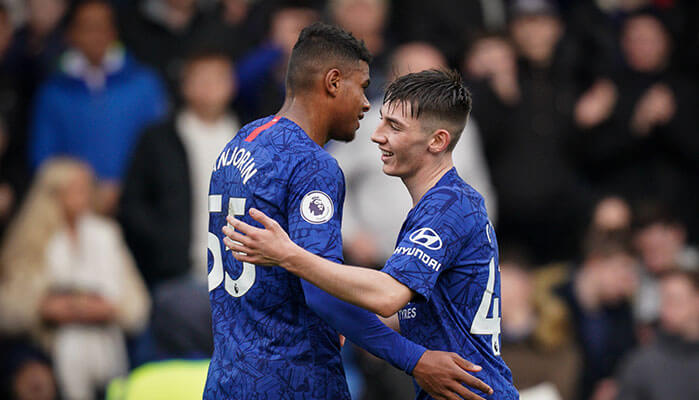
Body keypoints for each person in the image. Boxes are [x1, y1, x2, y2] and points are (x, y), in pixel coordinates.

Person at [204, 23, 493, 400]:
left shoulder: (240, 144)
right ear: (333, 82)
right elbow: (322, 294)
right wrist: (415, 360)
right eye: (362, 87)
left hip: (227, 376)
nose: (366, 105)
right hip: (292, 379)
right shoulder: (313, 164)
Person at [0, 158, 150, 400]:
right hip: (45, 348)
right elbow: (8, 309)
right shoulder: (31, 242)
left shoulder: (106, 236)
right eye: (74, 190)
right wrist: (44, 308)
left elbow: (136, 306)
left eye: (86, 188)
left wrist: (108, 309)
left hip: (107, 346)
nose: (83, 196)